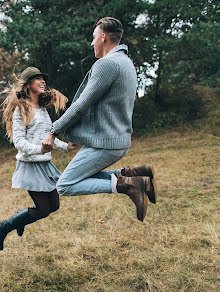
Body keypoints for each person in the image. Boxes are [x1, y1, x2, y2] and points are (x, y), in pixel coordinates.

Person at [42, 17, 157, 222]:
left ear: (103, 37)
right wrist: (83, 135)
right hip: (116, 139)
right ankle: (131, 173)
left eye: (94, 38)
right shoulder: (126, 63)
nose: (92, 43)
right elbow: (105, 107)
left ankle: (130, 184)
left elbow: (81, 105)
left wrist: (54, 130)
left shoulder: (107, 64)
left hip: (106, 142)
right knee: (82, 175)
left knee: (65, 184)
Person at [0, 67, 77, 251]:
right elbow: (20, 142)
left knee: (54, 205)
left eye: (42, 78)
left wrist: (65, 146)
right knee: (43, 209)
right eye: (37, 78)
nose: (42, 81)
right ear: (28, 84)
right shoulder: (21, 110)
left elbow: (48, 136)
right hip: (30, 166)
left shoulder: (42, 110)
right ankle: (3, 226)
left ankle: (20, 217)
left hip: (45, 164)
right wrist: (39, 149)